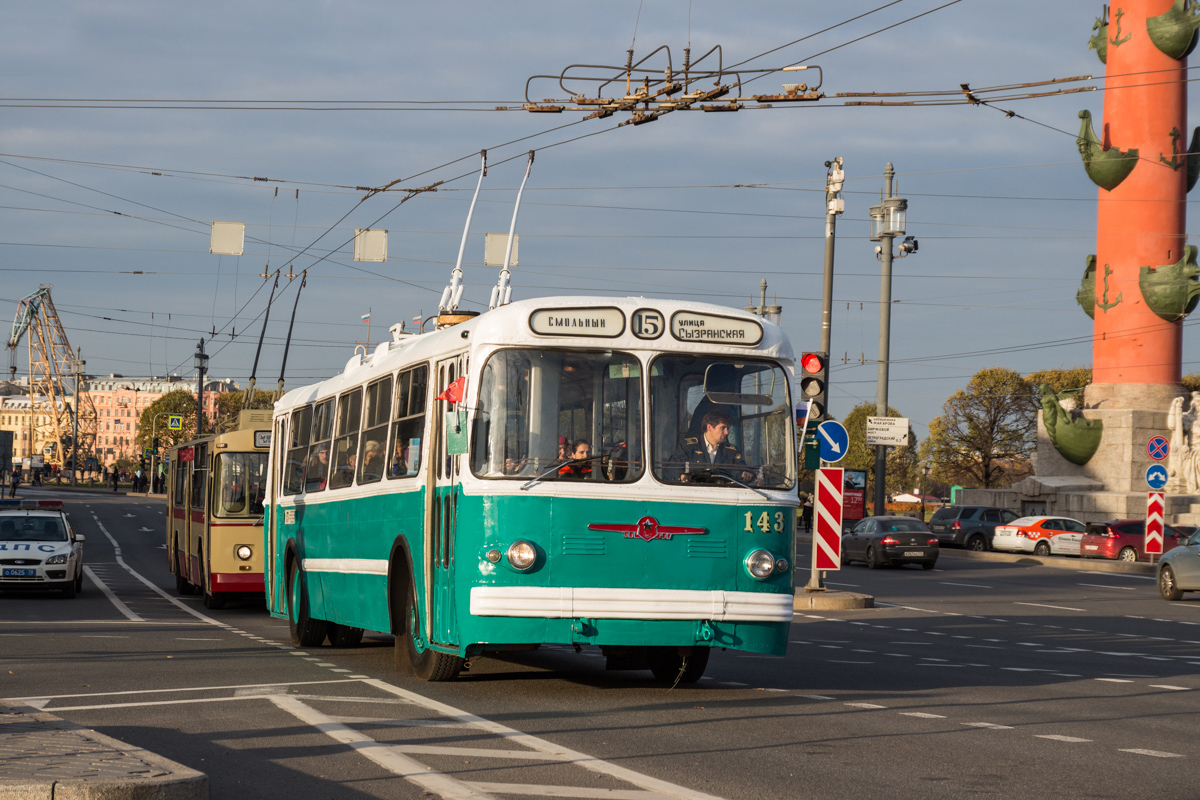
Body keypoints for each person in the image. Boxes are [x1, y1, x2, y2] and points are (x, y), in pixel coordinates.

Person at [672, 408, 755, 483]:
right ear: (709, 427)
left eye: (727, 429)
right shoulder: (688, 446)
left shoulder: (731, 451)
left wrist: (748, 474)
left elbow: (743, 469)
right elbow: (672, 470)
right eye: (723, 428)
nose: (726, 432)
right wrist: (682, 476)